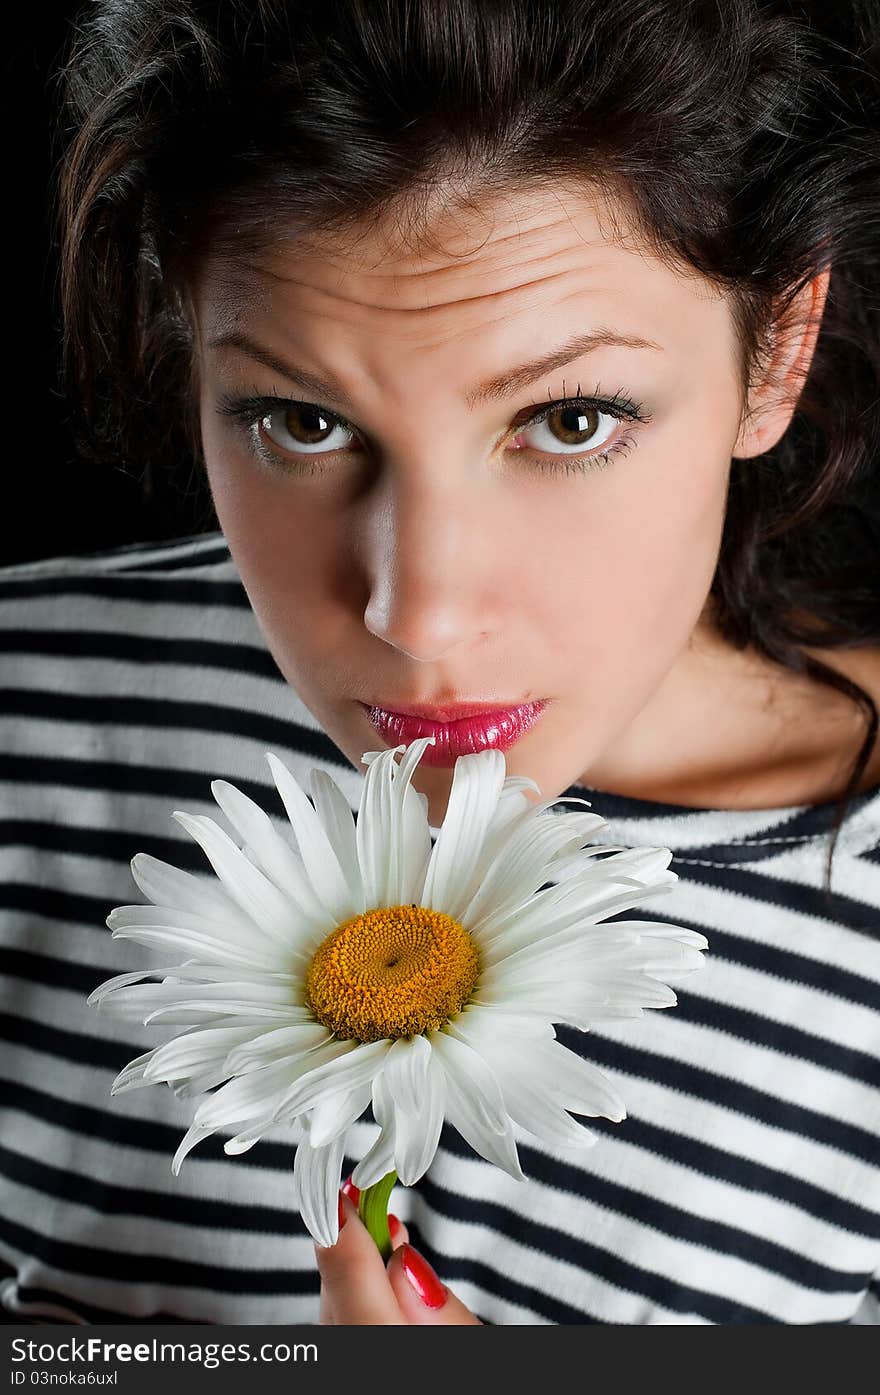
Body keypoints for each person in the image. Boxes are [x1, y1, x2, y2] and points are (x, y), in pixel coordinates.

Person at [1, 0, 879, 1325]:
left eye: (570, 420)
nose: (420, 616)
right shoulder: (31, 703)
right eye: (299, 421)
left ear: (780, 352)